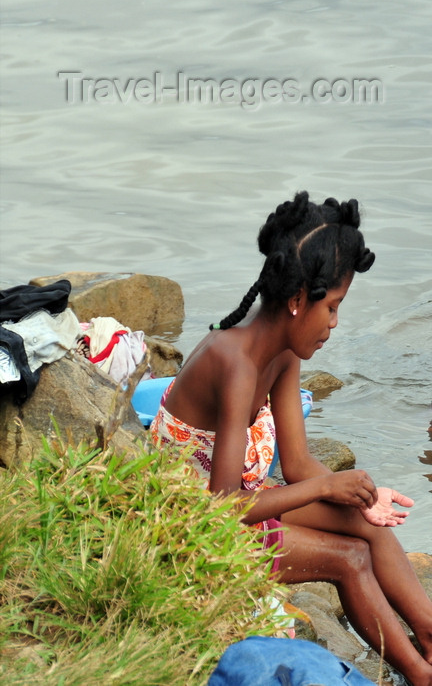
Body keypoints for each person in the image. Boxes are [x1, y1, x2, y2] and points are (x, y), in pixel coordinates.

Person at [149, 191, 432, 686]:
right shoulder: (234, 364)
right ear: (299, 300)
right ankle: (420, 675)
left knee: (367, 519)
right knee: (349, 557)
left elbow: (298, 464)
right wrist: (329, 487)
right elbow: (220, 508)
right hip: (191, 524)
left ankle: (429, 635)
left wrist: (359, 494)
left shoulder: (283, 354)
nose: (335, 324)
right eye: (334, 307)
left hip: (238, 502)